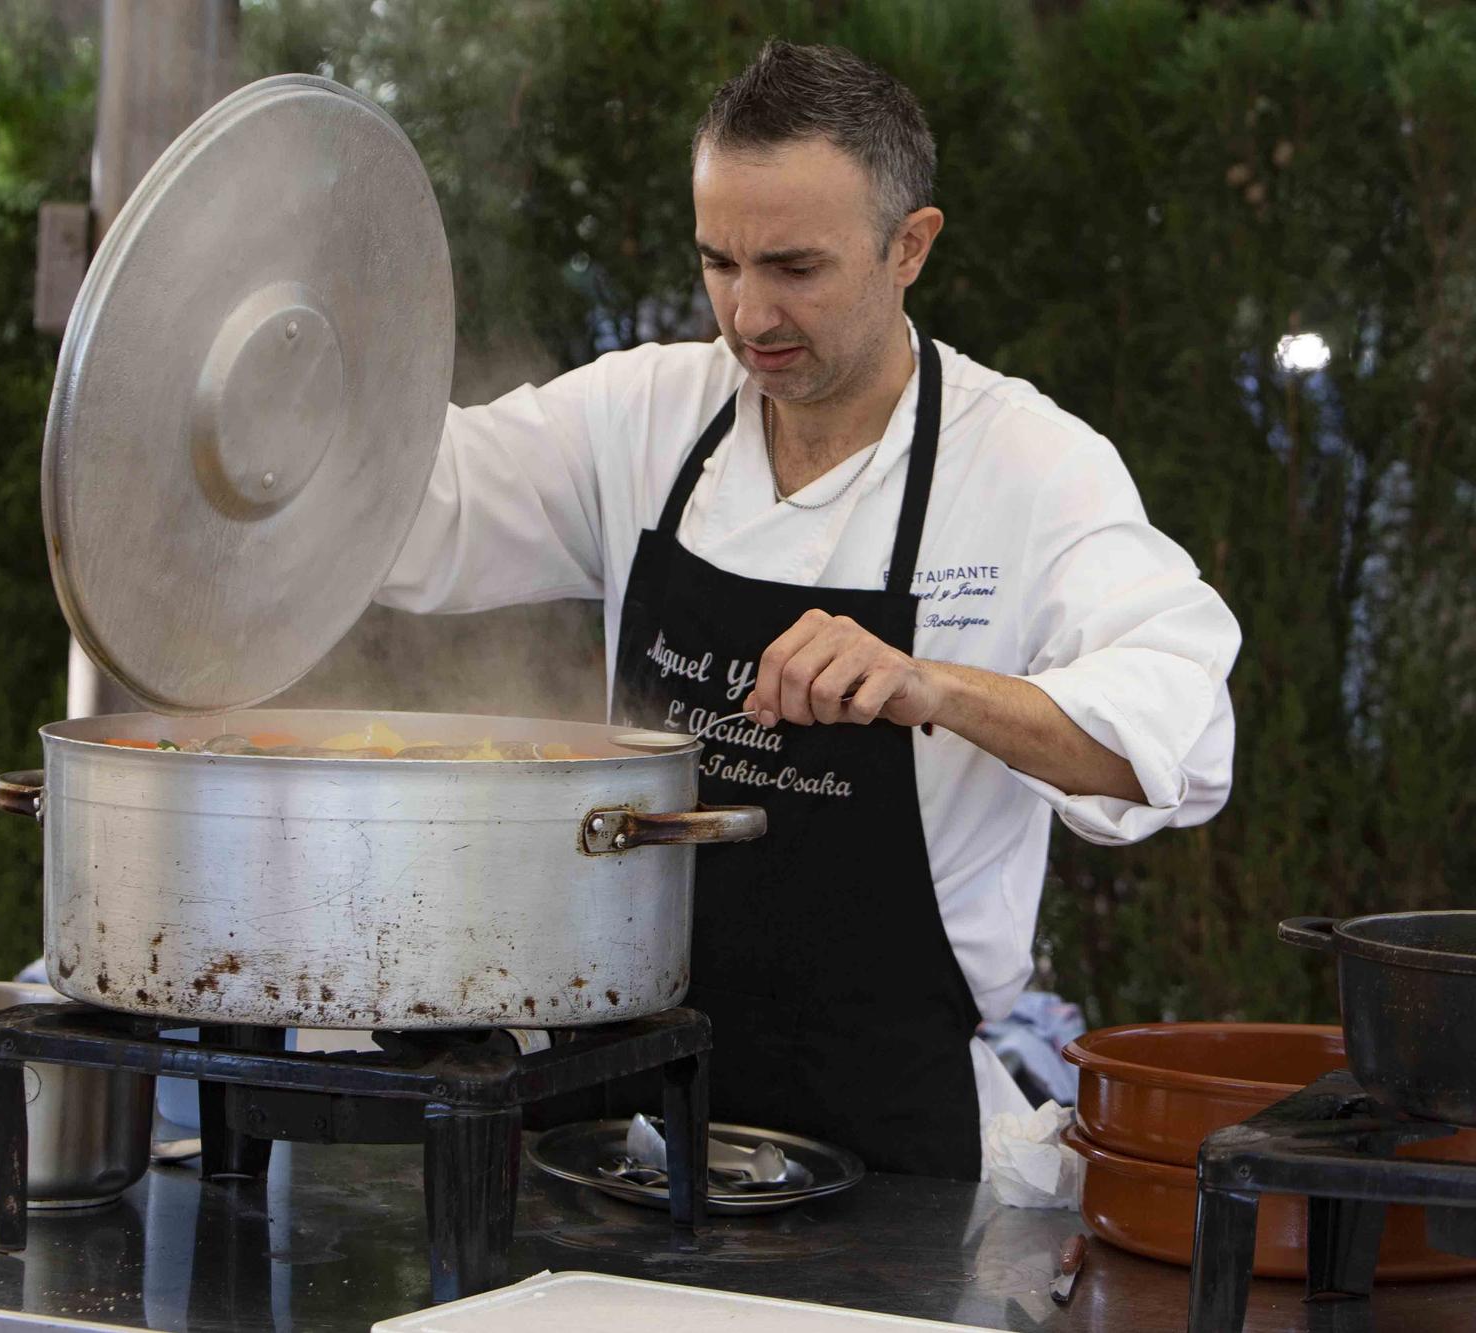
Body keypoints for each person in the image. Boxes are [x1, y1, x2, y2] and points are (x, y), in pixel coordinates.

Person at [378, 40, 1240, 1179]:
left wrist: (933, 685)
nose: (747, 314)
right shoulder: (644, 417)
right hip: (621, 1116)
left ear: (908, 248)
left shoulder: (1031, 469)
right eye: (718, 262)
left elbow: (1178, 738)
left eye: (792, 267)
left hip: (888, 1139)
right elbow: (406, 501)